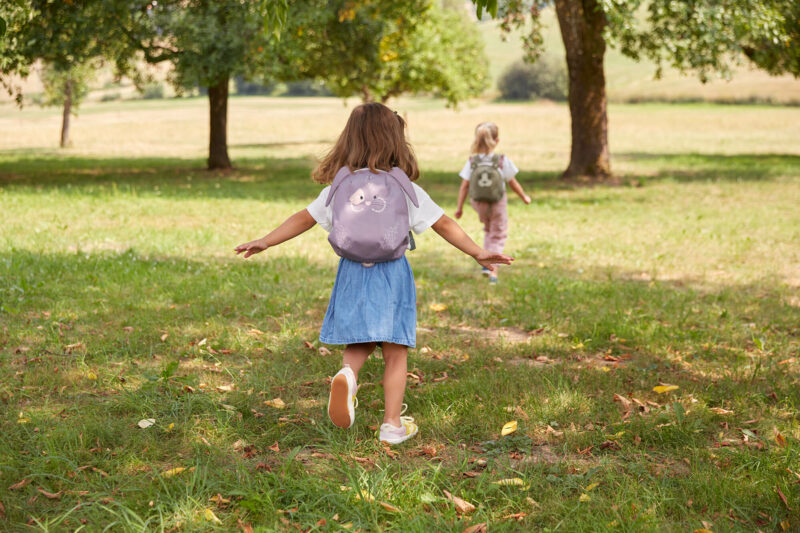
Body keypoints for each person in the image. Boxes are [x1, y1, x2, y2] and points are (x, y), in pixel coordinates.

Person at [235, 103, 512, 444]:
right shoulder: (403, 187)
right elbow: (443, 223)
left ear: (349, 139)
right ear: (396, 140)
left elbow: (304, 218)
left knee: (359, 341)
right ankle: (392, 425)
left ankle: (348, 374)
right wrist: (478, 251)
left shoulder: (340, 186)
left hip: (351, 271)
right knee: (395, 351)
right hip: (391, 273)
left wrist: (266, 240)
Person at [454, 122, 531, 284]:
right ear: (497, 140)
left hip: (478, 203)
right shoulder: (501, 160)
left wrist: (459, 208)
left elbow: (464, 186)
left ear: (477, 140)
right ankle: (493, 271)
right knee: (498, 234)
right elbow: (512, 182)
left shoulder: (472, 161)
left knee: (489, 230)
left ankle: (485, 263)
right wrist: (524, 197)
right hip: (497, 203)